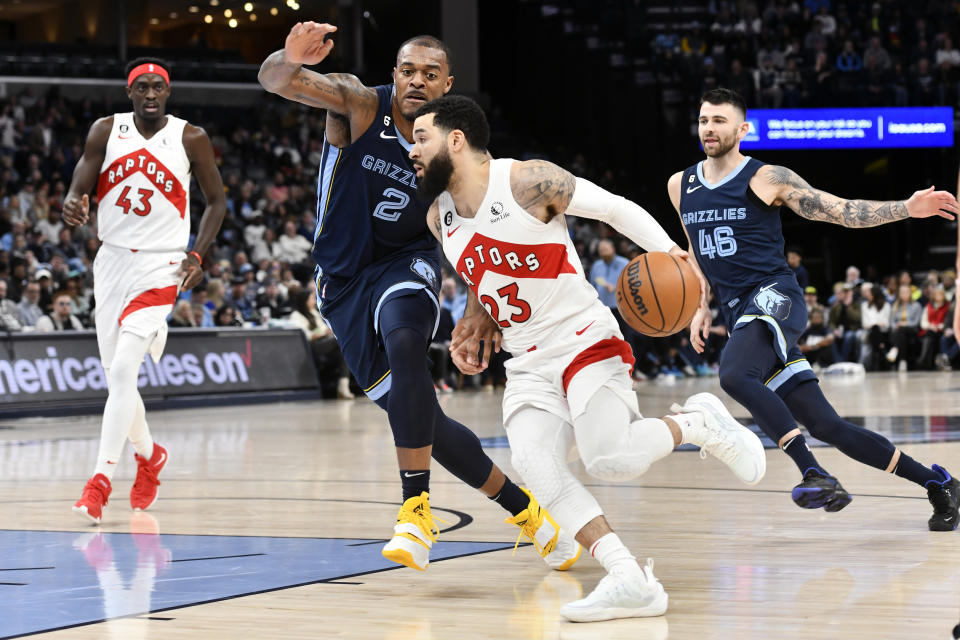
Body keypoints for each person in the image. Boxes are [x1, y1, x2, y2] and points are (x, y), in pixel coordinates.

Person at [411, 95, 765, 622]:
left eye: (422, 138)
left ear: (456, 140)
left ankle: (696, 424)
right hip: (526, 360)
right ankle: (628, 577)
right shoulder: (440, 216)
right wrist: (476, 320)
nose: (413, 151)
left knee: (610, 459)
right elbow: (479, 276)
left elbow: (614, 209)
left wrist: (673, 255)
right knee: (534, 462)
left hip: (581, 337)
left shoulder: (526, 181)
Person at [258, 23, 577, 572]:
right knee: (425, 419)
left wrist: (479, 306)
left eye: (431, 74)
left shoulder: (457, 150)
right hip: (342, 283)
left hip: (408, 262)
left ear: (447, 84)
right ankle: (527, 512)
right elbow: (277, 81)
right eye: (409, 71)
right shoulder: (360, 105)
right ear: (394, 76)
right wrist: (288, 58)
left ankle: (414, 508)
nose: (417, 81)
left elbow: (479, 232)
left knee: (407, 344)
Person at [669, 87, 959, 530]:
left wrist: (907, 208)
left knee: (732, 373)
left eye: (720, 121)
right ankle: (938, 482)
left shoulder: (766, 177)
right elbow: (697, 252)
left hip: (776, 297)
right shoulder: (681, 185)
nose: (709, 128)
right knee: (828, 425)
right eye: (704, 119)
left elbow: (838, 211)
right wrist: (699, 304)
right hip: (737, 311)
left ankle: (813, 472)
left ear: (742, 129)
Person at [63, 58, 227, 523]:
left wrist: (198, 255)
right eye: (142, 87)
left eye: (158, 87)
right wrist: (71, 204)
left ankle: (99, 481)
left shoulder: (190, 137)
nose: (150, 94)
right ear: (130, 92)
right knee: (118, 376)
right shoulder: (104, 130)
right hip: (111, 261)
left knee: (120, 375)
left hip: (162, 264)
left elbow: (217, 201)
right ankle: (150, 456)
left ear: (168, 92)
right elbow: (79, 185)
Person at [288, 288, 353, 399]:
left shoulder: (313, 313)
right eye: (311, 298)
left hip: (324, 344)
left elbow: (323, 329)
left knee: (341, 353)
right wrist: (322, 333)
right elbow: (306, 335)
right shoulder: (295, 315)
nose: (314, 301)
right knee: (339, 341)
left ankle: (343, 386)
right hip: (310, 347)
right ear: (304, 300)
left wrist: (327, 332)